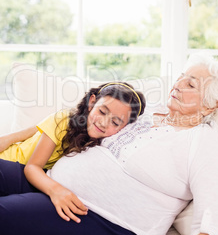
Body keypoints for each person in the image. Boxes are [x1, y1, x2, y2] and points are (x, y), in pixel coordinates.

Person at [0, 54, 218, 235]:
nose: (177, 85)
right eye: (181, 77)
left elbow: (209, 232)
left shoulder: (207, 145)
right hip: (49, 182)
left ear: (212, 104)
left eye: (190, 84)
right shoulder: (149, 114)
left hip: (102, 223)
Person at [0, 82, 146, 222]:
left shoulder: (109, 143)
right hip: (10, 163)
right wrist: (56, 190)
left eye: (115, 122)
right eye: (102, 111)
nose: (103, 122)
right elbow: (32, 167)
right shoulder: (65, 121)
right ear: (92, 102)